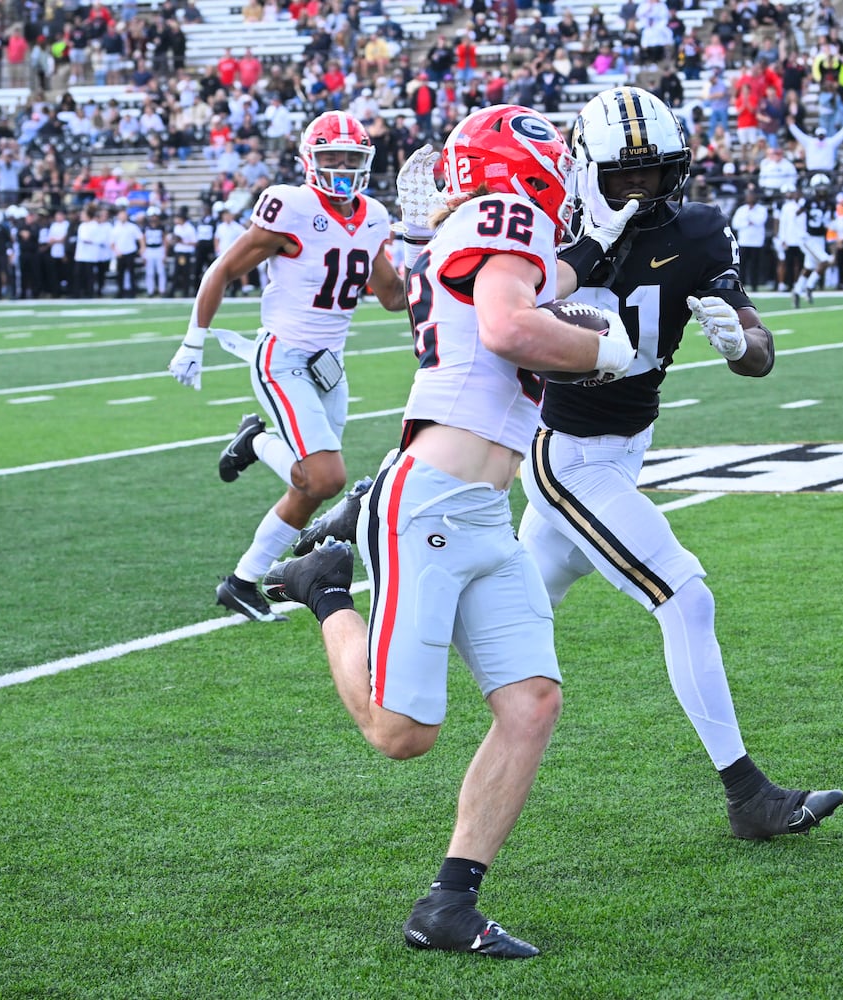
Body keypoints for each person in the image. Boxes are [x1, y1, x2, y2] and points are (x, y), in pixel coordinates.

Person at [256, 103, 637, 958]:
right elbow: (509, 326)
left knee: (532, 702)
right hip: (431, 501)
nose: (575, 176)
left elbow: (539, 289)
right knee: (403, 735)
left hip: (481, 509)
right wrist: (610, 347)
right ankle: (322, 589)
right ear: (523, 162)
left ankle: (448, 906)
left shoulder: (496, 228)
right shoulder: (509, 213)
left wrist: (598, 265)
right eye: (563, 160)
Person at [524, 86, 843, 842]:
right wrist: (584, 244)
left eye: (655, 174)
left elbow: (761, 355)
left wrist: (740, 341)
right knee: (685, 596)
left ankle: (337, 601)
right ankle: (748, 796)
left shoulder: (697, 232)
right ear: (582, 169)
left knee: (503, 614)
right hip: (571, 456)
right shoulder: (546, 228)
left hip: (626, 451)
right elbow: (512, 310)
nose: (640, 190)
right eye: (622, 176)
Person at [166, 111, 410, 622]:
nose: (341, 167)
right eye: (331, 157)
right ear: (309, 160)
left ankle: (241, 581)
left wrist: (421, 257)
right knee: (325, 478)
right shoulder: (291, 206)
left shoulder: (372, 215)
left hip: (330, 363)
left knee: (309, 487)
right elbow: (224, 269)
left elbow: (390, 296)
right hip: (283, 356)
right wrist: (194, 340)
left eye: (351, 158)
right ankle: (255, 440)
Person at [790, 172, 835, 307]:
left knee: (809, 267)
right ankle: (809, 287)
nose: (822, 189)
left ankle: (797, 291)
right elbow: (796, 216)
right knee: (825, 260)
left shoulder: (830, 203)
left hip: (821, 237)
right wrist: (800, 232)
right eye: (820, 187)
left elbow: (829, 221)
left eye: (824, 186)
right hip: (809, 237)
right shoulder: (808, 201)